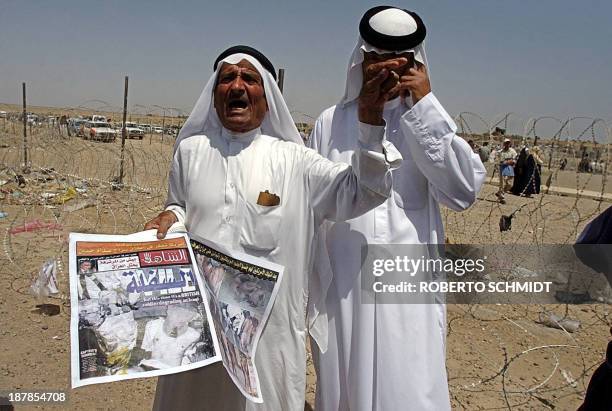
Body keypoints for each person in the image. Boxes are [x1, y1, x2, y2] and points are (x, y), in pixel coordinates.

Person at [144, 45, 402, 410]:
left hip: (270, 332)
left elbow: (362, 191)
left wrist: (371, 121)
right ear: (215, 93)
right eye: (227, 78)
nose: (237, 86)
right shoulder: (190, 151)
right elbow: (179, 206)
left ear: (267, 99)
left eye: (249, 78)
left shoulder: (294, 161)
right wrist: (170, 216)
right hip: (197, 323)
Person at [307, 6, 486, 411]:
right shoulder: (331, 122)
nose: (385, 72)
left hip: (407, 291)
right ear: (363, 61)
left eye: (398, 63)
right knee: (343, 390)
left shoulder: (427, 120)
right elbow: (314, 201)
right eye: (376, 61)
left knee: (408, 386)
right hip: (344, 286)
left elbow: (462, 191)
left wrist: (423, 106)